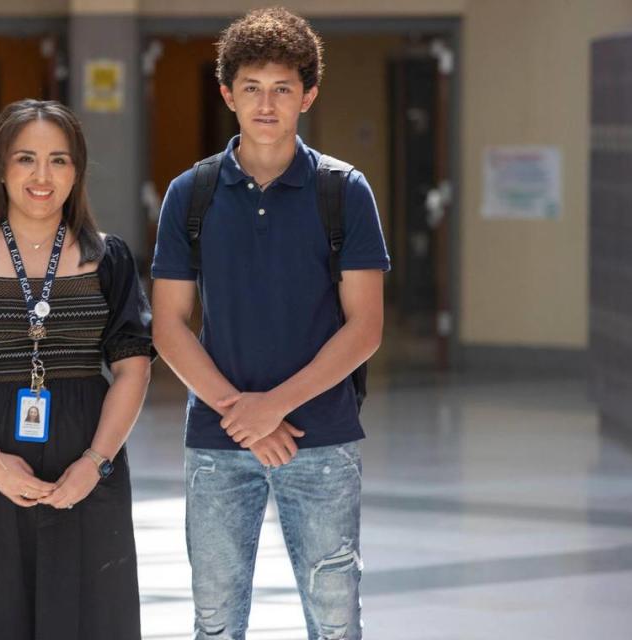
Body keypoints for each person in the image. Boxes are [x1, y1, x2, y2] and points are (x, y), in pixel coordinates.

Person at [151, 8, 390, 640]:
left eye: (283, 88)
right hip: (216, 440)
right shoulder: (190, 194)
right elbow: (169, 325)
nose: (266, 103)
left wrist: (273, 410)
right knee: (215, 622)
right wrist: (241, 414)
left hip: (324, 440)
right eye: (252, 88)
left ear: (308, 95)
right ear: (227, 93)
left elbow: (365, 327)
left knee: (337, 623)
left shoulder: (343, 191)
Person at [0, 99, 153, 639]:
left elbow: (134, 369)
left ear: (77, 170)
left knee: (88, 620)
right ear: (0, 168)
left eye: (59, 160)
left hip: (85, 467)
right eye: (26, 159)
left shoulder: (109, 260)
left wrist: (95, 463)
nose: (43, 176)